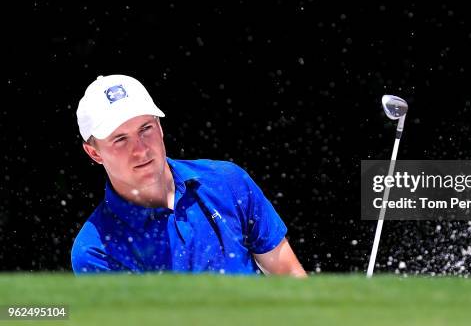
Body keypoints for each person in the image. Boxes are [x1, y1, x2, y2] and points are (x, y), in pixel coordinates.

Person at [71, 74, 307, 277]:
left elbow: (290, 278)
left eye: (146, 129)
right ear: (94, 153)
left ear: (160, 127)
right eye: (120, 139)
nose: (141, 150)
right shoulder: (96, 250)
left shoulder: (227, 181)